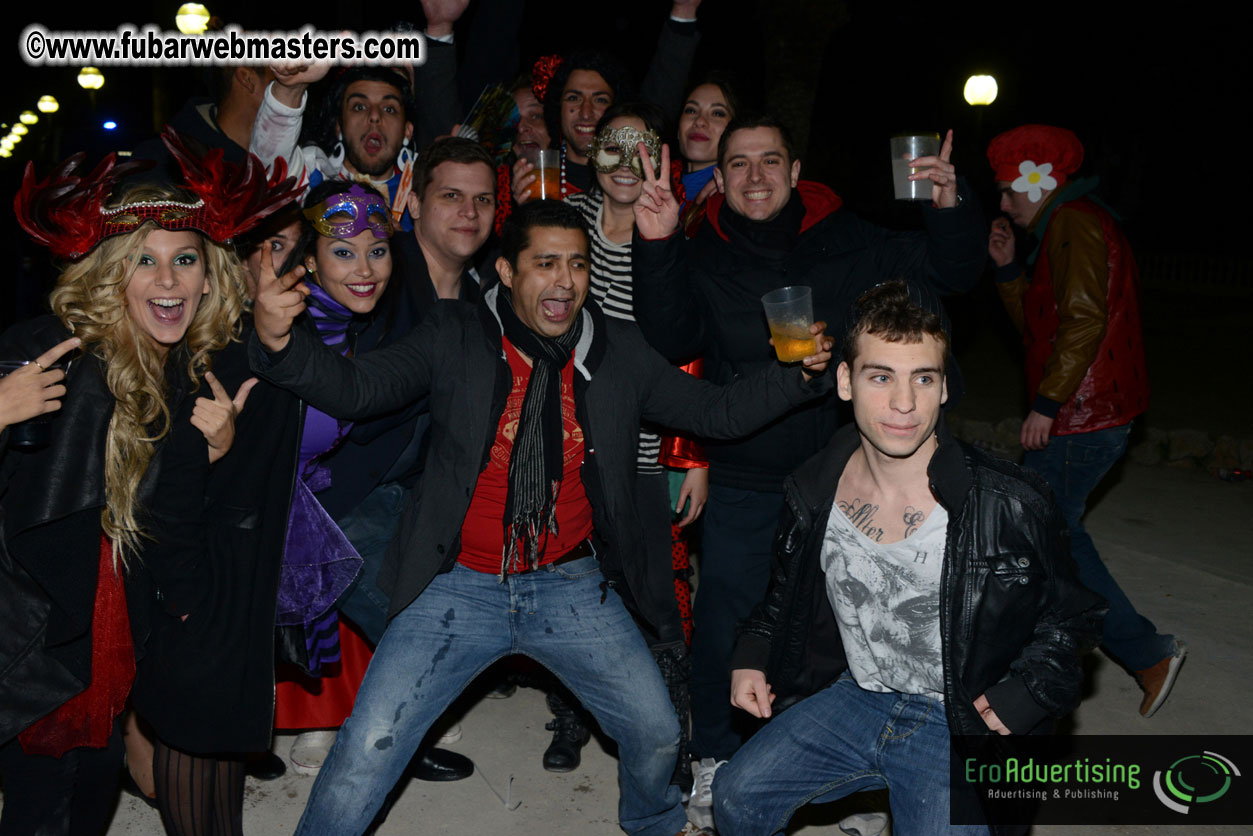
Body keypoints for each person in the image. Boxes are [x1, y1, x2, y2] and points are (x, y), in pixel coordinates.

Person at [247, 199, 835, 836]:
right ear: (506, 270)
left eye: (577, 264)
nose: (564, 281)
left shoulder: (618, 351)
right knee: (368, 745)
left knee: (658, 731)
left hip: (568, 582)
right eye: (545, 263)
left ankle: (655, 823)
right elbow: (357, 389)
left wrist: (794, 377)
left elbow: (716, 413)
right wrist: (278, 342)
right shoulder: (455, 334)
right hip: (457, 583)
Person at [631, 114, 986, 826]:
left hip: (844, 471)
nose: (754, 176)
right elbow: (670, 334)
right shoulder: (705, 252)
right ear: (721, 178)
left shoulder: (846, 239)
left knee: (842, 622)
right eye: (737, 164)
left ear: (795, 172)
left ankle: (853, 772)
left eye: (769, 161)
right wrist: (659, 241)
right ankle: (713, 756)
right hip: (746, 472)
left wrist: (951, 208)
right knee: (730, 618)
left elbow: (949, 274)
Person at [709, 281, 1106, 836]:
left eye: (924, 378)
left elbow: (1074, 616)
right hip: (858, 694)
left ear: (944, 389)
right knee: (735, 798)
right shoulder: (812, 487)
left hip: (956, 715)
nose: (904, 403)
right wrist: (753, 651)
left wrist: (1029, 691)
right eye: (881, 377)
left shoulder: (1006, 501)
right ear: (844, 381)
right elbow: (784, 593)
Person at [0, 134, 297, 836]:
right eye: (145, 261)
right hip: (33, 625)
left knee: (91, 788)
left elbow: (167, 513)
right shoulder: (40, 348)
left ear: (208, 273)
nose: (168, 282)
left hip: (120, 619)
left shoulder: (194, 363)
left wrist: (216, 455)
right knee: (47, 799)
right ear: (110, 273)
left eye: (183, 259)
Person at [986, 123, 1184, 717]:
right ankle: (1035, 647)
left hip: (1082, 415)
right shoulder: (1064, 226)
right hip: (1087, 410)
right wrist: (1005, 270)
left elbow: (1082, 321)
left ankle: (1146, 651)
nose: (1002, 202)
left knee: (1055, 536)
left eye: (1006, 189)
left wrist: (1047, 404)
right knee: (1037, 531)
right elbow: (1041, 326)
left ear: (1036, 180)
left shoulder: (1074, 222)